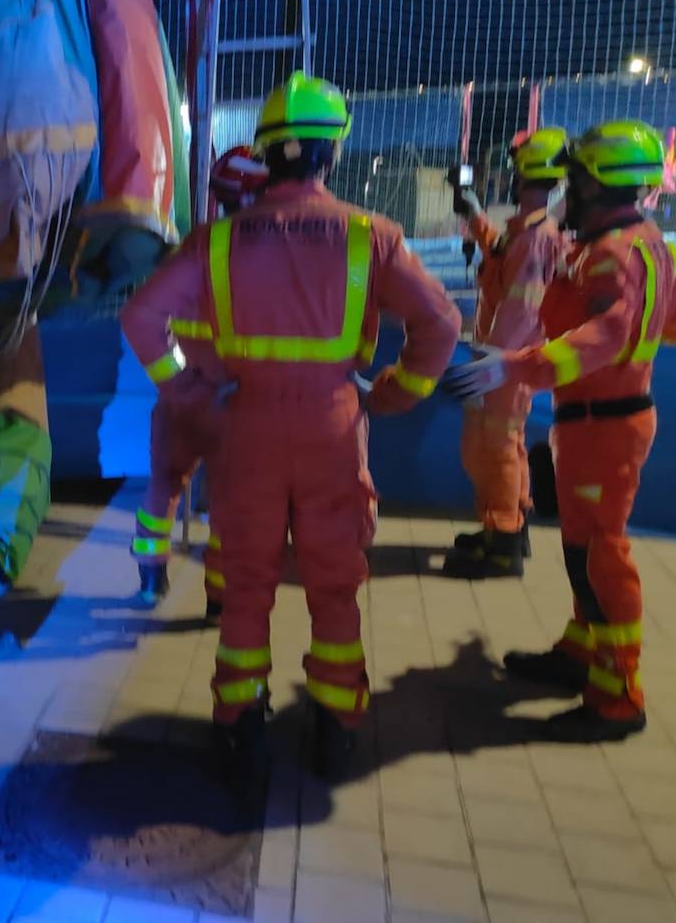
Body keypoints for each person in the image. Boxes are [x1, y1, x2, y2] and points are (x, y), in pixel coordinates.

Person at [121, 72, 459, 783]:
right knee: (335, 584)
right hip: (333, 425)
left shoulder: (217, 241)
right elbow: (440, 321)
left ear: (267, 150)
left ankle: (239, 721)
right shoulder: (371, 236)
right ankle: (337, 723)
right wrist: (398, 391)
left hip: (245, 424)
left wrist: (187, 387)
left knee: (245, 586)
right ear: (331, 150)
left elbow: (142, 319)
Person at [445, 120, 676, 742]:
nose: (568, 191)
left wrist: (516, 367)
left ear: (598, 182)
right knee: (581, 551)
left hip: (604, 424)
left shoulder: (619, 255)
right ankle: (583, 653)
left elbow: (599, 338)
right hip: (592, 420)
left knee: (601, 557)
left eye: (578, 179)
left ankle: (619, 696)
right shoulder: (636, 247)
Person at [131, 146, 269, 617]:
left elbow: (149, 318)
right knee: (231, 503)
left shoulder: (193, 247)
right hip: (234, 401)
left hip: (181, 399)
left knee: (162, 488)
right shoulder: (264, 253)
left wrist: (178, 383)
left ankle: (151, 580)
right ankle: (220, 599)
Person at [443, 129, 567, 578]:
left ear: (523, 175)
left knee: (491, 447)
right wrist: (474, 213)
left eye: (511, 169)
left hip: (504, 362)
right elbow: (499, 251)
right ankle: (508, 527)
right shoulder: (529, 231)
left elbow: (521, 307)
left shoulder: (536, 238)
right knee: (504, 446)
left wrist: (491, 363)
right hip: (505, 358)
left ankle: (504, 541)